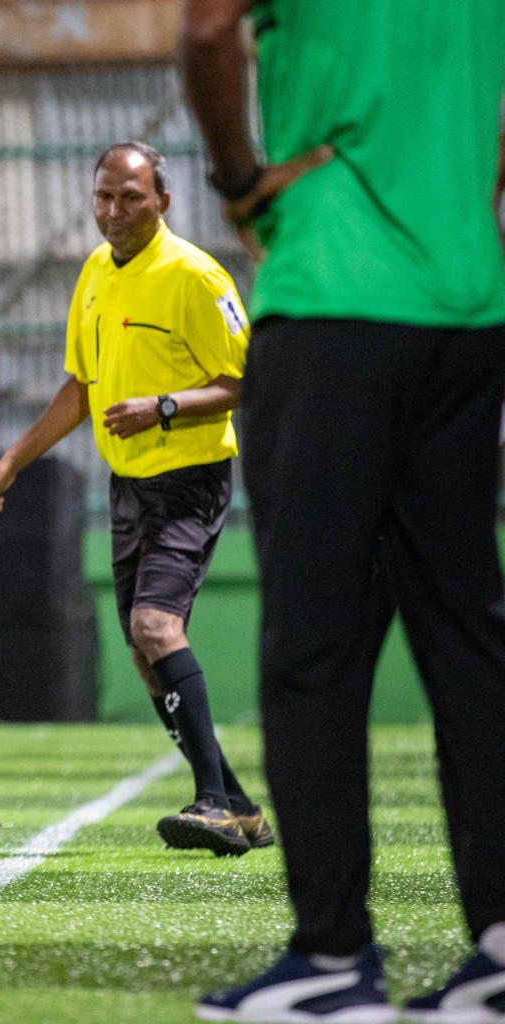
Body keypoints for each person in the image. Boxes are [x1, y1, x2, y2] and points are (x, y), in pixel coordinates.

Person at [181, 0, 505, 1019]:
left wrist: (239, 179)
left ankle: (332, 958)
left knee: (314, 646)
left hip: (332, 301)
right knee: (469, 640)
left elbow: (203, 32)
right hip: (469, 302)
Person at [0, 142, 270, 858]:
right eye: (104, 196)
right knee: (144, 647)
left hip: (191, 478)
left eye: (131, 197)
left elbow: (246, 380)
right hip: (128, 483)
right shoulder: (95, 273)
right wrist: (9, 463)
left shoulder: (196, 275)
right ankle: (239, 805)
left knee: (156, 628)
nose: (114, 211)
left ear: (163, 201)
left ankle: (213, 804)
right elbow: (80, 388)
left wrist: (165, 406)